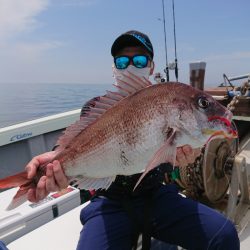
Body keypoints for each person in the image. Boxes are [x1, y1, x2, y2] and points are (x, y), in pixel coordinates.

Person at [25, 30, 239, 250]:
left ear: (151, 66)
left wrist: (181, 159)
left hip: (155, 196)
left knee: (224, 236)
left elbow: (165, 164)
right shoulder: (95, 107)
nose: (130, 65)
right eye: (122, 60)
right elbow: (78, 148)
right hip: (108, 202)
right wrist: (54, 161)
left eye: (139, 59)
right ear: (113, 67)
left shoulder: (170, 107)